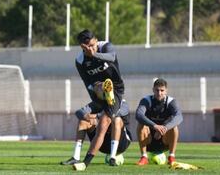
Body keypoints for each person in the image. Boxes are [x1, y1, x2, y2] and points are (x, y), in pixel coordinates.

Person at [72, 29, 126, 169]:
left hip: (116, 88)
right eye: (88, 46)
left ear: (96, 40)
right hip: (99, 93)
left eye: (92, 44)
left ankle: (85, 163)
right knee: (81, 113)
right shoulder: (80, 61)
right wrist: (96, 94)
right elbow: (87, 83)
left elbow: (112, 57)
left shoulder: (105, 46)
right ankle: (105, 92)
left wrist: (95, 54)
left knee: (103, 124)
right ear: (82, 46)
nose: (91, 48)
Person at [60, 100, 132, 166]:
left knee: (117, 119)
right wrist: (86, 116)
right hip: (102, 144)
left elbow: (113, 113)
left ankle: (112, 158)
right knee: (83, 121)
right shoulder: (98, 102)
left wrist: (96, 117)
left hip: (121, 143)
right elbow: (79, 112)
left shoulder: (122, 103)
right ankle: (76, 157)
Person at [135, 78, 183, 166]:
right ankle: (144, 157)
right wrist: (155, 126)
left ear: (166, 91)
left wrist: (165, 128)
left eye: (162, 90)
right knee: (140, 124)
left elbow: (179, 117)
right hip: (148, 140)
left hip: (164, 141)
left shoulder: (171, 102)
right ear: (153, 90)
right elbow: (139, 115)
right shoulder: (146, 100)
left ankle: (171, 157)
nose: (159, 93)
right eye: (157, 90)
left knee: (174, 127)